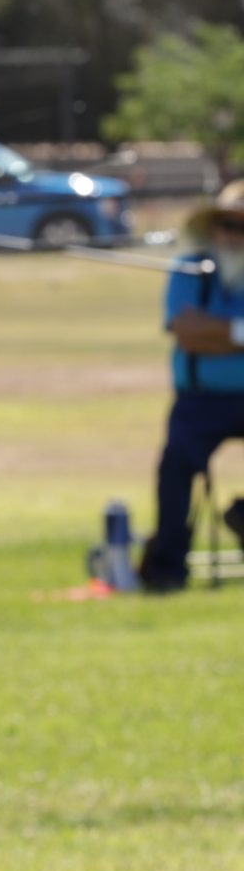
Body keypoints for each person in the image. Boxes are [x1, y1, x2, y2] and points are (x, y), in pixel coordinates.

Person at [139, 180, 244, 591]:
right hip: (201, 402)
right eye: (228, 226)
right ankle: (167, 566)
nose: (234, 237)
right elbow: (187, 332)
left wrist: (217, 332)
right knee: (175, 465)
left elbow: (203, 331)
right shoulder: (189, 271)